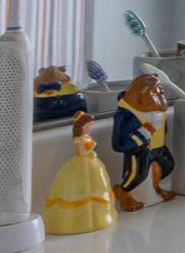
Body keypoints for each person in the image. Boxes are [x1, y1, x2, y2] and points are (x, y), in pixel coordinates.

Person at [109, 72, 177, 210]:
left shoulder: (158, 111)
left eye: (159, 91)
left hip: (158, 147)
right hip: (139, 150)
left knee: (168, 165)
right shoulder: (126, 114)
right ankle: (123, 192)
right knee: (137, 175)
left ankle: (155, 188)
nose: (159, 94)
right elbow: (119, 142)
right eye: (155, 91)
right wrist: (144, 132)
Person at [43, 110, 117, 235]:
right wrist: (92, 147)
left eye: (91, 125)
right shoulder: (79, 139)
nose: (90, 128)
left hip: (93, 163)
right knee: (82, 189)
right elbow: (82, 152)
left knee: (97, 188)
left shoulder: (87, 137)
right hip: (83, 164)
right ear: (81, 127)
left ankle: (99, 218)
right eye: (88, 125)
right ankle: (78, 222)